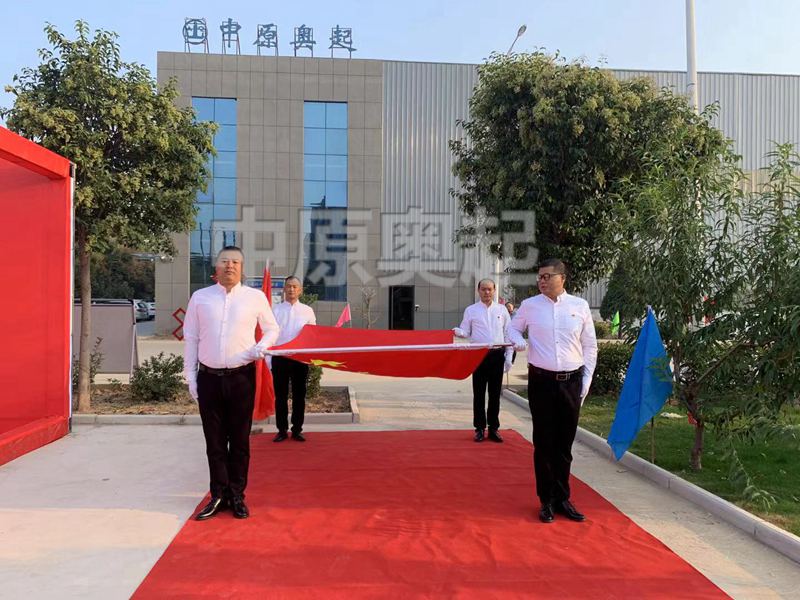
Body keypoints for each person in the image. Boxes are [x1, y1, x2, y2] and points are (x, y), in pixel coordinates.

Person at [183, 246, 280, 521]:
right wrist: (190, 377)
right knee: (214, 441)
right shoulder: (200, 298)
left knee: (239, 441)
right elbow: (191, 337)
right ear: (216, 267)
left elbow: (273, 328)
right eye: (225, 261)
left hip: (241, 378)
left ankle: (237, 495)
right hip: (209, 378)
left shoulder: (255, 297)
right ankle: (218, 495)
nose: (230, 266)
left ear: (242, 267)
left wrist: (261, 346)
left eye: (235, 262)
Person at [508, 258, 597, 524]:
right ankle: (546, 500)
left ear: (562, 278)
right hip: (542, 382)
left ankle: (563, 498)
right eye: (540, 277)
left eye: (547, 276)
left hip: (571, 382)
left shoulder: (579, 306)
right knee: (544, 443)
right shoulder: (530, 306)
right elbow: (512, 327)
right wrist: (517, 341)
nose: (542, 281)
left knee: (564, 444)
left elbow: (590, 346)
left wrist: (586, 381)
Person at [453, 279, 513, 443]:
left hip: (497, 355)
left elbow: (508, 333)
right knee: (478, 393)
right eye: (483, 289)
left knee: (495, 394)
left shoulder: (502, 310)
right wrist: (458, 332)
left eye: (490, 289)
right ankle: (479, 428)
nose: (487, 292)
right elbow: (465, 331)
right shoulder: (471, 310)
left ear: (494, 290)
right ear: (478, 291)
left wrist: (509, 356)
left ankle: (493, 428)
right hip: (478, 355)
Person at [272, 276, 317, 443]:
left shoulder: (307, 311)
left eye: (295, 287)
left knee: (299, 395)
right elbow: (271, 335)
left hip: (299, 358)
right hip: (280, 358)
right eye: (288, 286)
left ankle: (297, 429)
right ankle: (281, 430)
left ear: (300, 290)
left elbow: (312, 335)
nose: (291, 289)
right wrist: (270, 360)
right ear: (284, 289)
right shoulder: (275, 310)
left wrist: (310, 357)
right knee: (280, 396)